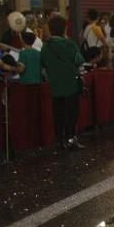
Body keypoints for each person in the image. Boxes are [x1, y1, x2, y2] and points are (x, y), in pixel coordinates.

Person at [42, 16, 85, 150]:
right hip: (70, 84)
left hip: (55, 86)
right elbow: (79, 61)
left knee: (58, 114)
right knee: (71, 114)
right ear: (64, 28)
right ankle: (71, 138)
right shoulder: (69, 44)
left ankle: (60, 141)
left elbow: (43, 65)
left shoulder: (46, 46)